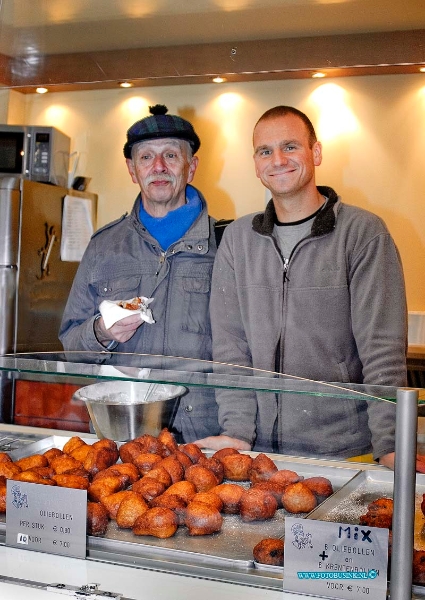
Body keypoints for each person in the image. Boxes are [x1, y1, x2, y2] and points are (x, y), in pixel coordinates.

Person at [196, 105, 410, 470]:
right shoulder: (237, 239)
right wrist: (237, 432)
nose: (277, 160)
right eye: (266, 151)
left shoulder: (363, 233)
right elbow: (231, 349)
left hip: (345, 452)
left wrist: (390, 445)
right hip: (261, 456)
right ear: (255, 163)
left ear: (316, 152)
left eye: (290, 147)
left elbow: (383, 352)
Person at [59, 104, 220, 442]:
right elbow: (71, 347)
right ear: (132, 170)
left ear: (191, 167)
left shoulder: (226, 245)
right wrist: (102, 331)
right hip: (121, 433)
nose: (158, 166)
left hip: (201, 440)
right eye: (146, 157)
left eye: (171, 155)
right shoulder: (103, 246)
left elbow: (245, 353)